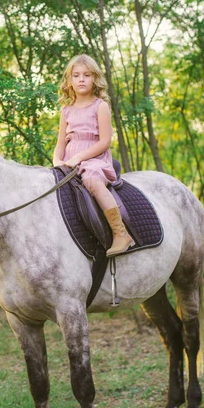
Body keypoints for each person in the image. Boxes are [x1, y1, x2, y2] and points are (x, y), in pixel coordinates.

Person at [53, 54, 133, 256]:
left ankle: (121, 233)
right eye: (76, 75)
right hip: (69, 163)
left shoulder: (100, 106)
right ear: (69, 81)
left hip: (94, 160)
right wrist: (57, 161)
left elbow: (105, 141)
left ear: (94, 78)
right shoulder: (66, 111)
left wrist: (79, 158)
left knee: (92, 181)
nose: (81, 79)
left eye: (86, 75)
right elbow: (61, 143)